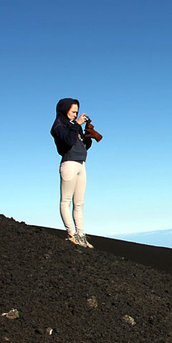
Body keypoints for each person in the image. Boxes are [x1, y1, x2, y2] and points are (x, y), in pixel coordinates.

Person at [50, 97, 102, 248]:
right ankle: (71, 234)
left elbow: (81, 145)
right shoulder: (58, 125)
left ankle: (81, 235)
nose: (74, 115)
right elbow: (68, 141)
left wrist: (88, 136)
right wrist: (76, 125)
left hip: (81, 164)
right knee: (66, 200)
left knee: (79, 203)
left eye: (76, 112)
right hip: (69, 164)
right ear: (64, 110)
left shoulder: (74, 125)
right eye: (72, 112)